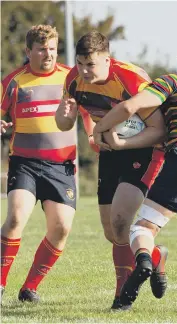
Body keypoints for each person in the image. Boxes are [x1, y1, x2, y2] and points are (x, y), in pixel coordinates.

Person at [93, 39, 177, 307]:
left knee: (142, 227)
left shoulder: (174, 81)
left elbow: (130, 107)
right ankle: (152, 260)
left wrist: (101, 128)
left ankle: (145, 260)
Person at [55, 31, 168, 310]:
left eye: (90, 64)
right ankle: (155, 257)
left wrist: (123, 142)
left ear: (107, 59)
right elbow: (64, 124)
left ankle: (122, 298)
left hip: (143, 150)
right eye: (80, 63)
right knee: (112, 232)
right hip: (110, 151)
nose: (83, 70)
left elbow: (160, 131)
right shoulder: (73, 79)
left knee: (120, 222)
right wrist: (67, 117)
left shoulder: (131, 80)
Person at [0, 24, 95, 303]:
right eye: (42, 49)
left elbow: (88, 110)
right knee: (16, 217)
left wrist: (92, 136)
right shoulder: (13, 81)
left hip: (61, 167)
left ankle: (30, 288)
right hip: (24, 163)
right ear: (28, 51)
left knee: (62, 228)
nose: (48, 54)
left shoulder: (71, 77)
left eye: (52, 48)